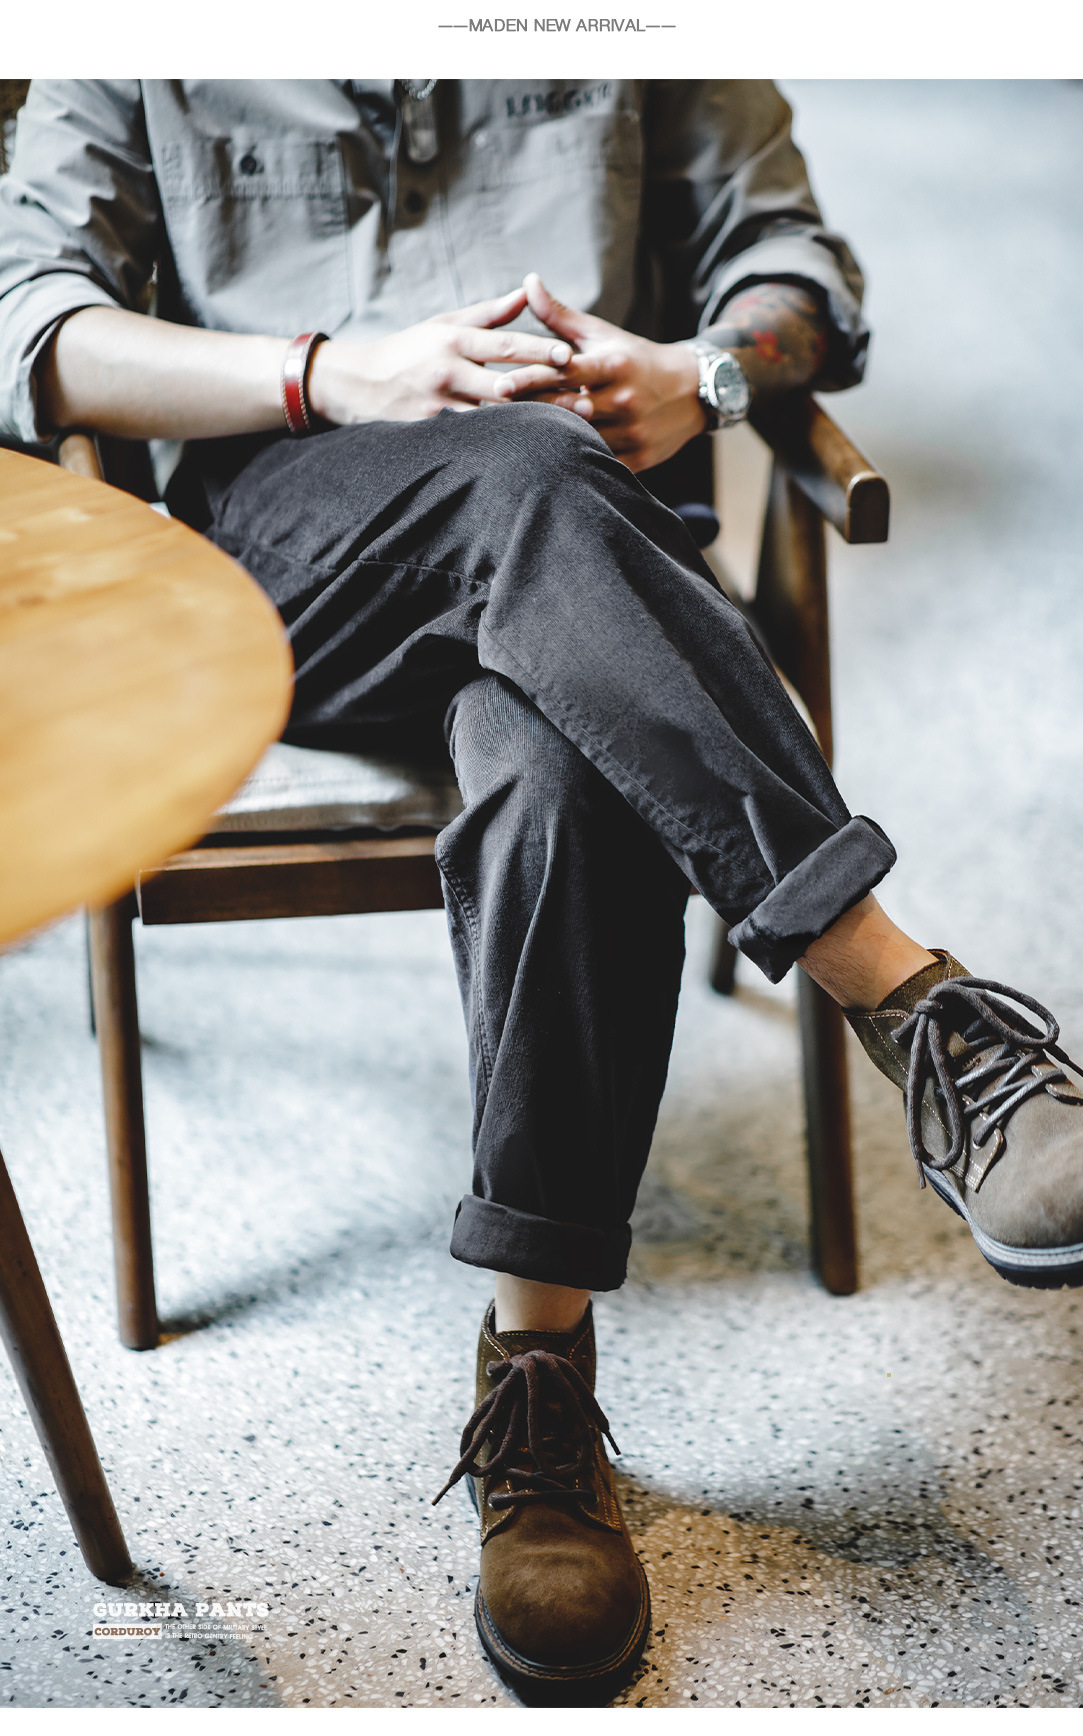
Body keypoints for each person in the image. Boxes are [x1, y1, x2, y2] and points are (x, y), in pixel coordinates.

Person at [2, 78, 1082, 1704]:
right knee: (526, 471)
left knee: (567, 753)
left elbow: (796, 268)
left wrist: (702, 375)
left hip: (592, 556)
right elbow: (29, 319)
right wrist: (329, 374)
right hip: (289, 556)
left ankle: (539, 1381)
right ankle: (908, 997)